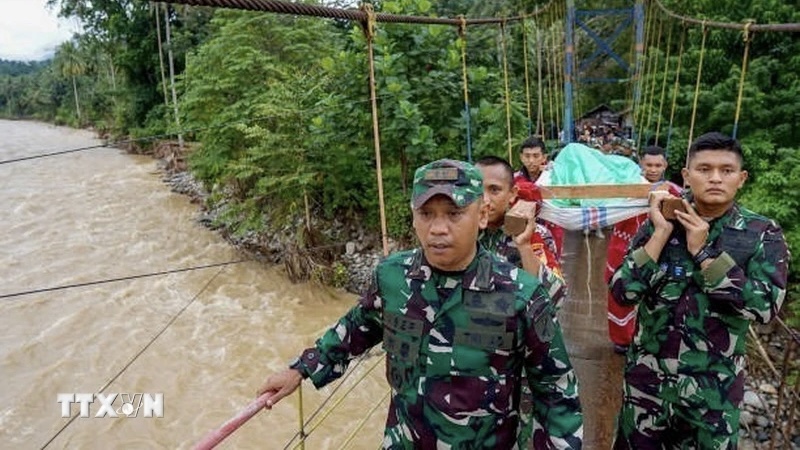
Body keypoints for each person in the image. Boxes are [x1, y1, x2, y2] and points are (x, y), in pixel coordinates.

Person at [258, 159, 584, 449]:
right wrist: (300, 369)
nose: (438, 228)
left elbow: (555, 389)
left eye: (455, 214)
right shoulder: (392, 277)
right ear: (414, 217)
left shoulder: (521, 294)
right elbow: (358, 327)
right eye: (426, 214)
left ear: (482, 215)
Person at [609, 132, 789, 449]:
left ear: (742, 178)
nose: (715, 178)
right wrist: (661, 234)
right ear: (686, 176)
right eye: (704, 169)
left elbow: (764, 307)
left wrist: (704, 254)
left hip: (713, 395)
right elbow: (622, 292)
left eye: (726, 170)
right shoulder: (658, 223)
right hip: (648, 388)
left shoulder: (761, 233)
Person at [475, 155, 569, 448]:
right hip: (477, 355)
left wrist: (524, 246)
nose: (486, 200)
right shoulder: (465, 234)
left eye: (494, 190)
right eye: (478, 190)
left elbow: (554, 296)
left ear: (513, 194)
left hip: (520, 357)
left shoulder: (533, 234)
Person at [605, 145, 682, 355]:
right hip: (621, 246)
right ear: (641, 163)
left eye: (658, 165)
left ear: (665, 165)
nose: (653, 169)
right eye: (649, 164)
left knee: (657, 294)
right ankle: (621, 340)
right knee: (619, 290)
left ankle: (650, 337)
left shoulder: (674, 192)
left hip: (658, 250)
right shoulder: (625, 186)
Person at [514, 136, 566, 259]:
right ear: (521, 157)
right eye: (527, 156)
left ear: (544, 157)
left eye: (536, 156)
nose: (531, 160)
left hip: (551, 229)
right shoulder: (514, 180)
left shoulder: (553, 177)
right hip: (523, 231)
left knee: (551, 264)